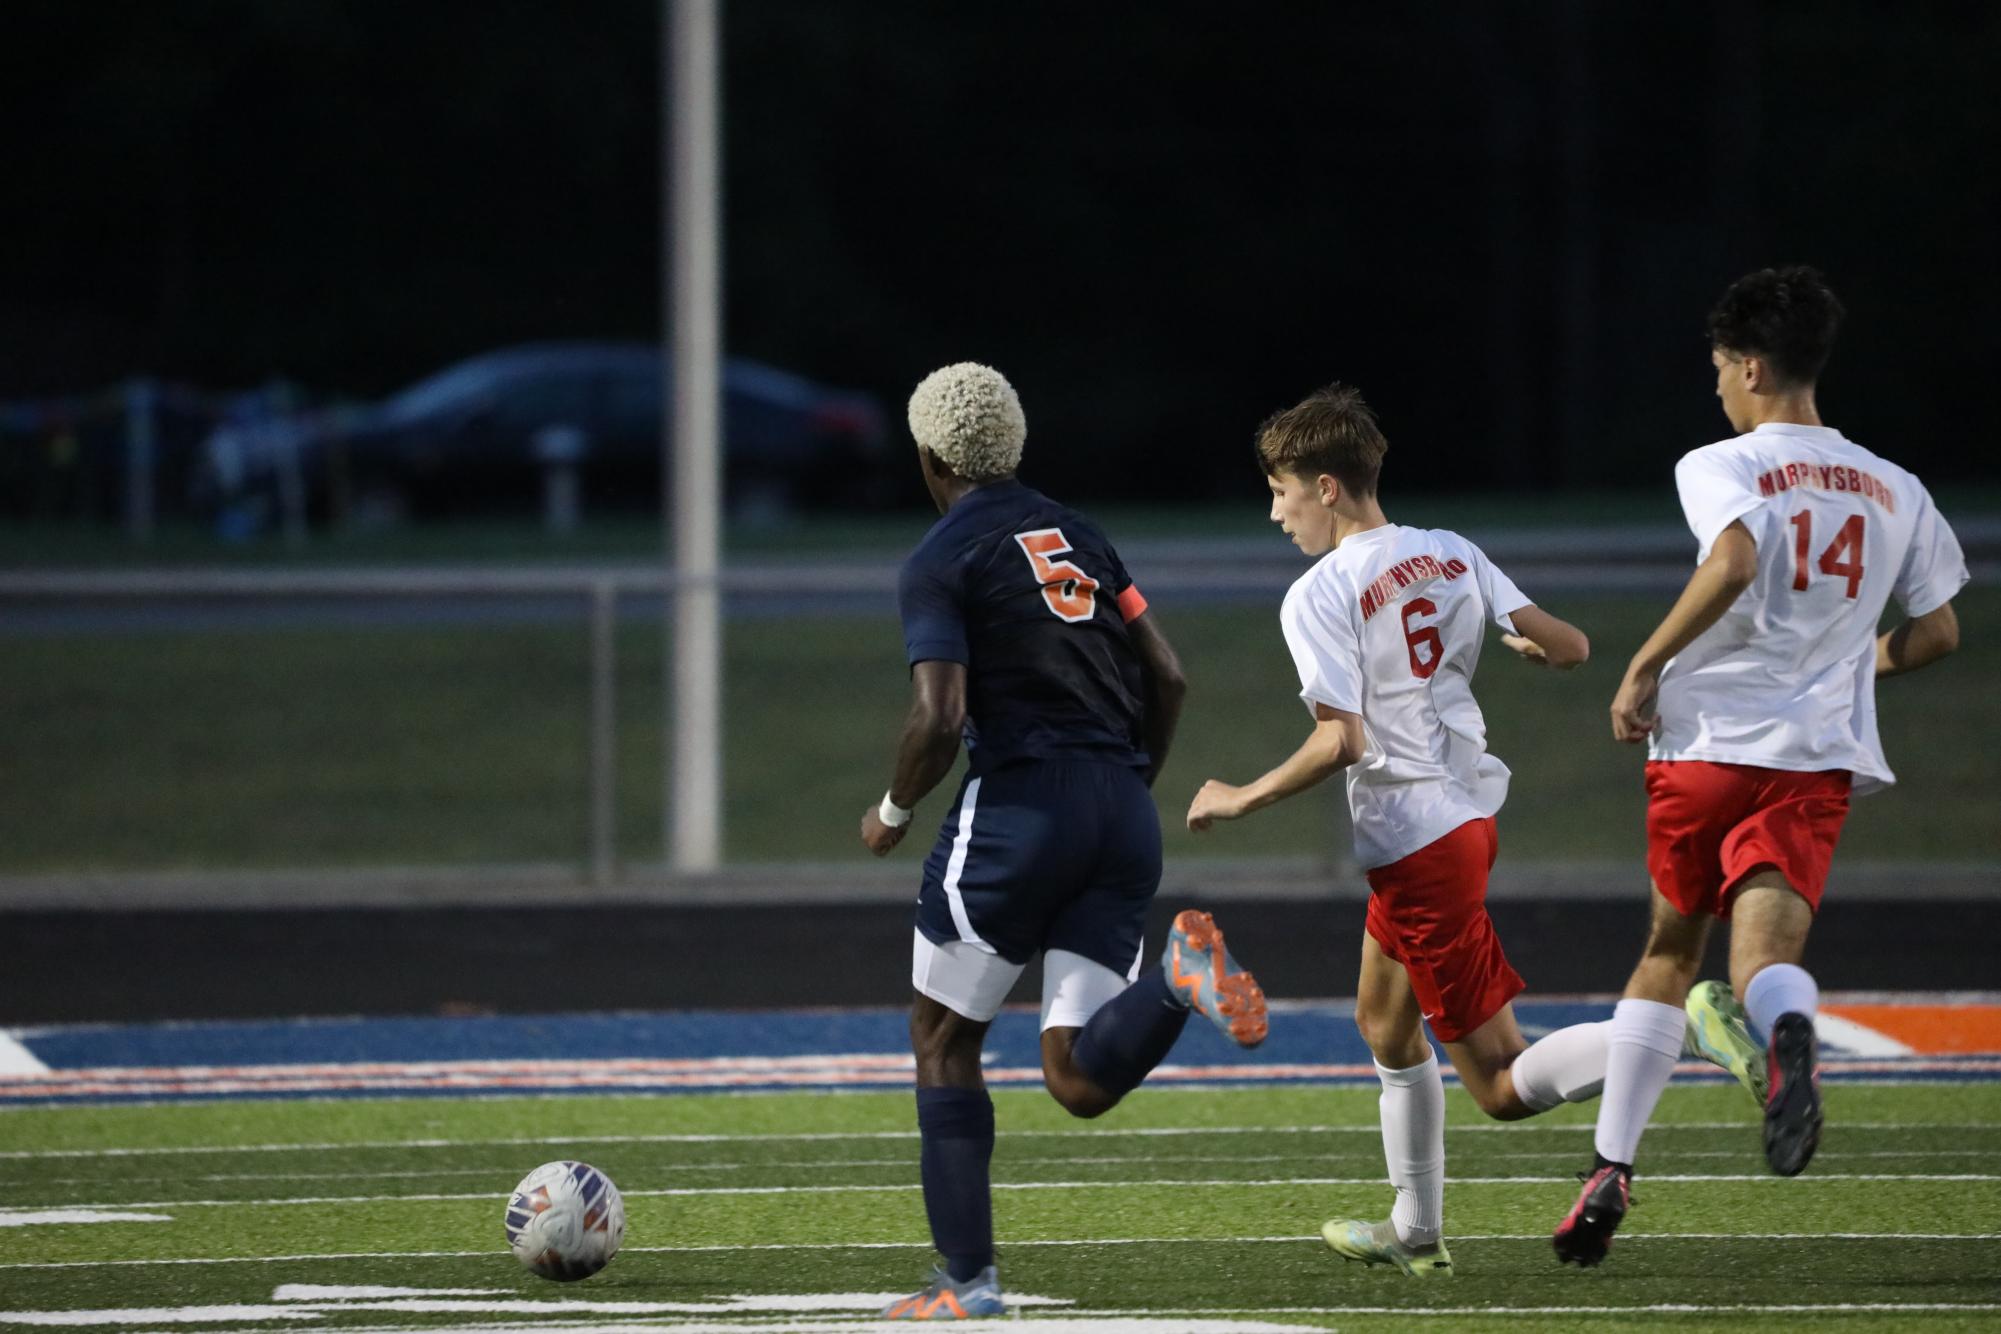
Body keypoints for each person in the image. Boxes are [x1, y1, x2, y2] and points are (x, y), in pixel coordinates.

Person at [1185, 383, 1756, 1278]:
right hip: (1458, 820)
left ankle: (1674, 1027)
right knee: (1383, 1026)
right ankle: (1415, 1230)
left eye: (1280, 489)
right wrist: (1523, 646)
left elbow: (1343, 738)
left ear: (1327, 487)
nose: (1274, 510)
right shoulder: (1449, 550)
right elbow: (1569, 647)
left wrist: (1239, 796)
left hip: (1417, 842)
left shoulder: (1318, 591)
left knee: (1496, 1081)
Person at [1554, 265, 1969, 1266]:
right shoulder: (1895, 484)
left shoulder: (1719, 462)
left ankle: (1611, 1165)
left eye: (1718, 370)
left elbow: (1734, 560)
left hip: (1705, 747)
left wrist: (1645, 662)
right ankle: (1792, 1043)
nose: (1715, 388)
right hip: (1815, 757)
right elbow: (1942, 630)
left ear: (1748, 365)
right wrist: (1855, 660)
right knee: (1763, 963)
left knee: (1667, 951)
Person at [861, 362, 1269, 1320]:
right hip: (1120, 810)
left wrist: (890, 808)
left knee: (942, 1039)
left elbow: (938, 713)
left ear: (928, 456)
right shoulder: (1079, 535)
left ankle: (967, 1286)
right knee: (1077, 1076)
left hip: (1020, 809)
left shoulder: (940, 555)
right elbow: (1165, 676)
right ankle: (1174, 977)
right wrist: (1126, 788)